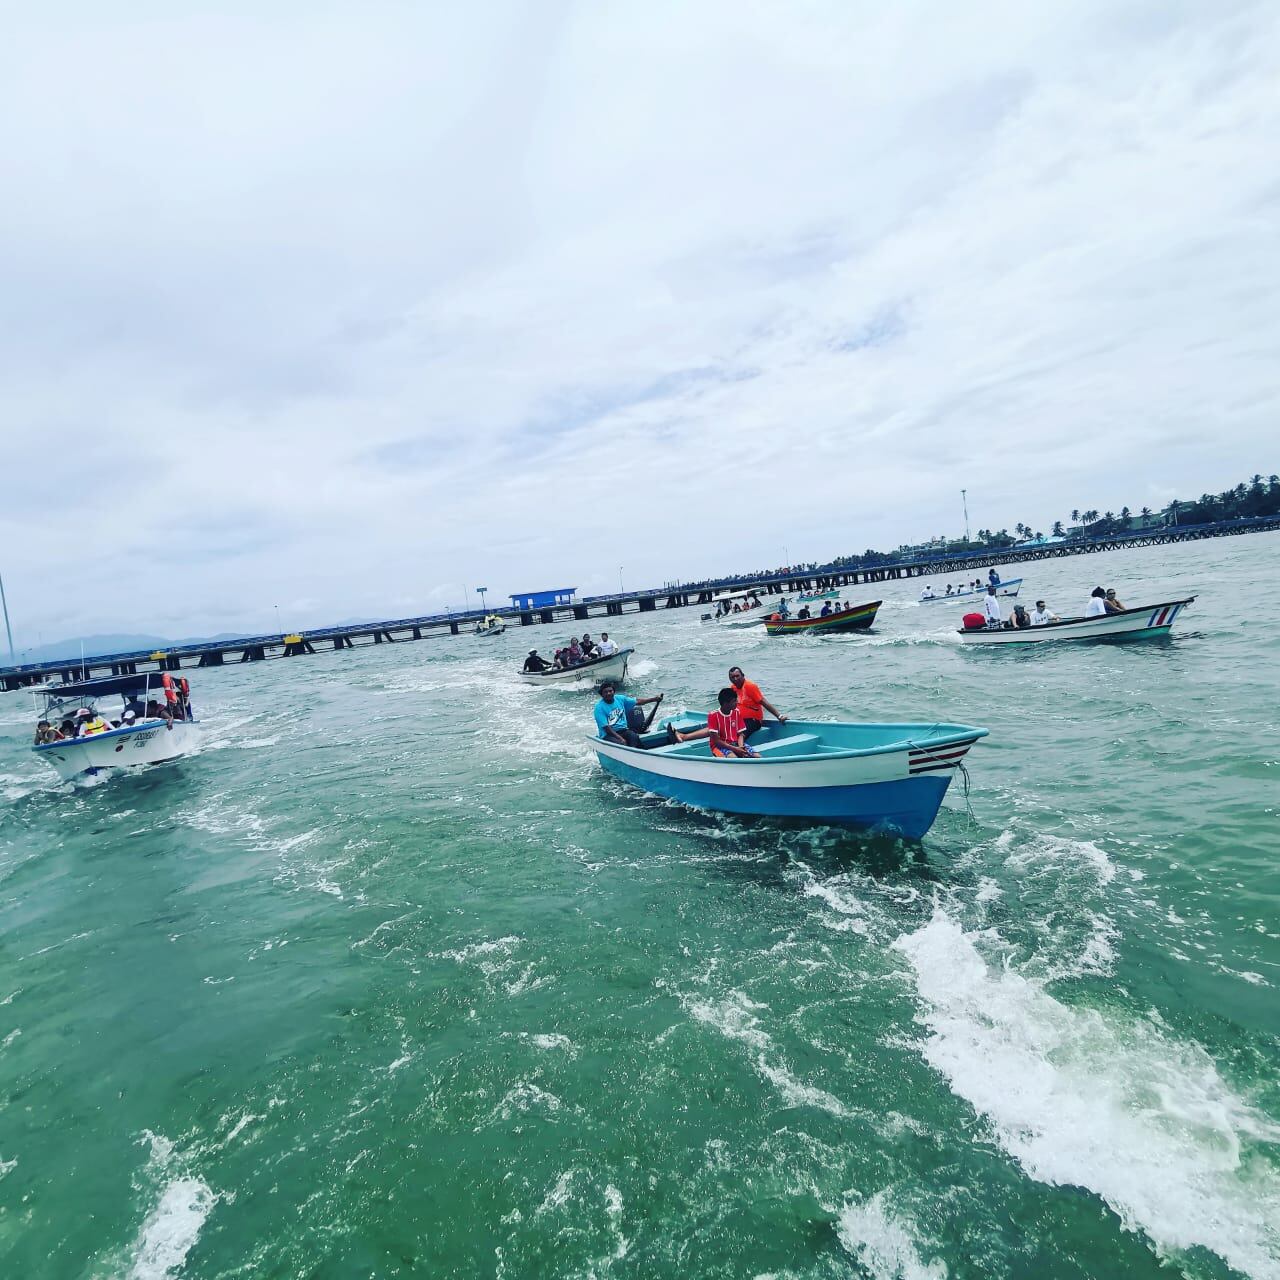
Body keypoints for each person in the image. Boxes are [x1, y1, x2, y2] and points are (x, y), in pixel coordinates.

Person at [594, 682, 665, 747]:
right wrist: (620, 739)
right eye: (605, 692)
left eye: (610, 691)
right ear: (602, 694)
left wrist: (654, 699)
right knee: (620, 744)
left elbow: (637, 701)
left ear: (614, 692)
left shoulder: (620, 699)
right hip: (608, 734)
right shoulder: (599, 708)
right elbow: (606, 728)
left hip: (623, 730)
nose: (608, 693)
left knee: (634, 737)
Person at [728, 666, 786, 740]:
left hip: (753, 721)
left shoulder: (749, 686)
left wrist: (779, 716)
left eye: (737, 676)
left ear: (742, 675)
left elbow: (763, 701)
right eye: (732, 677)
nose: (735, 679)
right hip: (739, 719)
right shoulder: (733, 688)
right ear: (730, 679)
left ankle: (740, 749)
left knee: (738, 736)